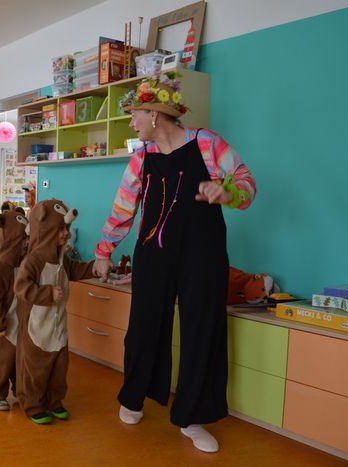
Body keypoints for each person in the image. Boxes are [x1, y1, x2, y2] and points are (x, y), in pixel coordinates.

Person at [92, 72, 256, 453]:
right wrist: (104, 251)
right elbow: (123, 207)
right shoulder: (141, 157)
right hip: (154, 253)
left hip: (204, 255)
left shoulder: (207, 142)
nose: (132, 123)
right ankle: (134, 397)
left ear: (154, 114)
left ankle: (192, 417)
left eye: (135, 115)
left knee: (202, 330)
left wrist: (226, 192)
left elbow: (247, 183)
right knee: (144, 326)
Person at [13, 199, 95, 424]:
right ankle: (33, 404)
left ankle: (54, 401)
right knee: (35, 369)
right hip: (36, 327)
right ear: (46, 229)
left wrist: (96, 268)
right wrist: (47, 294)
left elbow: (77, 269)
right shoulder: (33, 261)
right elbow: (21, 287)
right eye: (60, 228)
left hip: (58, 326)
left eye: (67, 228)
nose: (66, 233)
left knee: (59, 368)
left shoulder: (61, 258)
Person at [0, 207, 28, 410]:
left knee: (19, 361)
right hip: (2, 327)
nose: (26, 243)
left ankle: (20, 388)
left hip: (19, 324)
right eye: (22, 239)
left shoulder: (22, 263)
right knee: (0, 362)